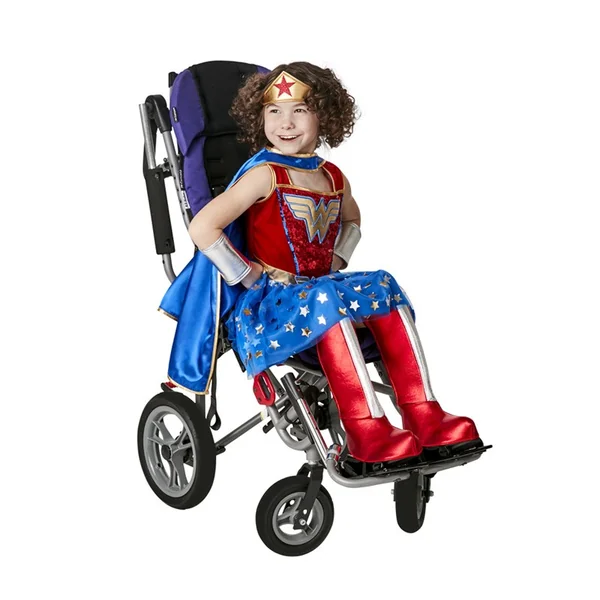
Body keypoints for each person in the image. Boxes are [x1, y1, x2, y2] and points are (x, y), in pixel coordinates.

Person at [162, 62, 480, 464]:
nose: (286, 123)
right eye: (274, 111)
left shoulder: (332, 176)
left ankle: (423, 413)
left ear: (324, 116)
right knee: (328, 297)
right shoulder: (264, 175)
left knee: (383, 284)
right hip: (269, 302)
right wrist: (245, 273)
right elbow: (203, 226)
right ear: (260, 118)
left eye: (300, 110)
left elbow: (352, 220)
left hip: (315, 291)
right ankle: (365, 429)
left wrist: (337, 257)